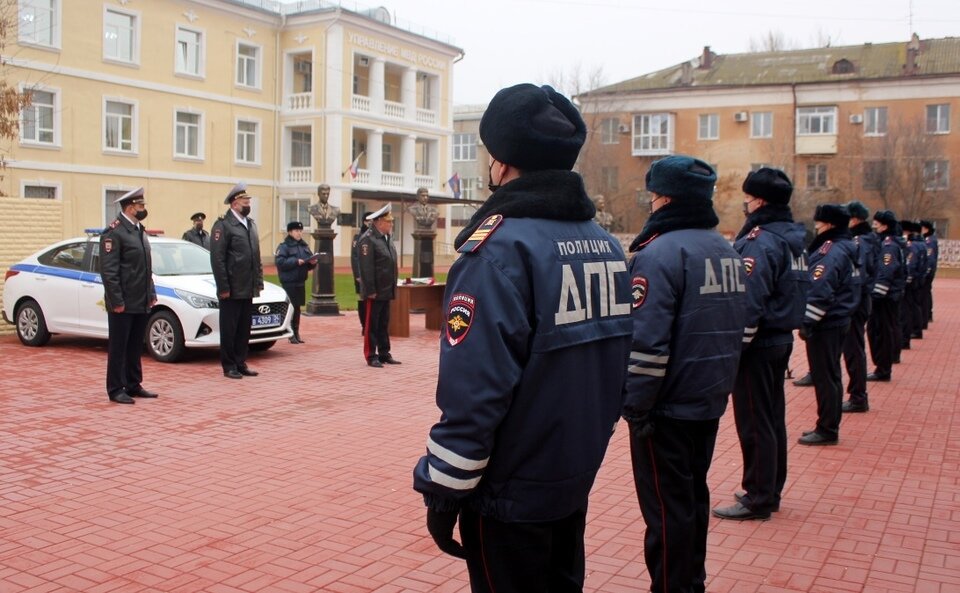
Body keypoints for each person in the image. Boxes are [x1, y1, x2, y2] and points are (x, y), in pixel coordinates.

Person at [412, 83, 632, 593]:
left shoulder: (496, 250)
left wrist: (443, 488)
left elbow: (476, 389)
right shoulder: (605, 245)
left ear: (502, 162)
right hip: (573, 473)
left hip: (509, 491)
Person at [624, 155, 746, 591]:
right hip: (708, 398)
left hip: (667, 408)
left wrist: (636, 408)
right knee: (693, 497)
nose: (651, 203)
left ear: (666, 197)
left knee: (666, 510)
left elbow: (646, 343)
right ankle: (693, 580)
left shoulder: (658, 254)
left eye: (652, 195)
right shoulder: (725, 249)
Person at [713, 168, 807, 522]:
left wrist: (736, 346)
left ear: (760, 201)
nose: (746, 204)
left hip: (758, 342)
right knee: (771, 419)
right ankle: (769, 488)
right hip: (779, 338)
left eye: (749, 198)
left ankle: (758, 496)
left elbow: (749, 299)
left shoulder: (759, 239)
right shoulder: (791, 236)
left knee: (753, 421)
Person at [797, 204, 860, 446]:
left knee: (825, 377)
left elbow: (820, 287)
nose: (817, 226)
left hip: (827, 321)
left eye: (820, 223)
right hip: (839, 318)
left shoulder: (830, 250)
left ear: (830, 224)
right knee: (831, 375)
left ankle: (827, 428)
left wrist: (808, 320)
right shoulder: (847, 246)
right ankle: (827, 424)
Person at [100, 187, 159, 404]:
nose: (144, 209)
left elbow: (145, 267)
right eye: (140, 206)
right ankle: (115, 388)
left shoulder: (138, 230)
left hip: (140, 298)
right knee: (119, 347)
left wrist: (150, 291)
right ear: (130, 207)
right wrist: (116, 301)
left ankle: (133, 384)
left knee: (135, 345)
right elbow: (109, 271)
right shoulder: (114, 232)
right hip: (123, 301)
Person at [210, 182, 264, 379]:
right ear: (234, 204)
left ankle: (241, 362)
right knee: (230, 328)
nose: (248, 203)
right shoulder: (223, 226)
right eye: (244, 201)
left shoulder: (250, 224)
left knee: (244, 328)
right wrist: (223, 286)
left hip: (247, 286)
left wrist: (258, 282)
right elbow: (218, 259)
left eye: (248, 200)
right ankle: (229, 365)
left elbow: (255, 256)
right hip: (231, 287)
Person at [840, 201, 880, 413]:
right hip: (860, 299)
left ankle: (858, 396)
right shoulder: (867, 239)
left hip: (856, 300)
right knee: (854, 348)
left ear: (854, 219)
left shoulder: (860, 242)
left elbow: (859, 275)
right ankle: (857, 394)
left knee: (854, 349)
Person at [357, 204, 400, 367]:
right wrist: (370, 290)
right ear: (379, 222)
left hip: (386, 289)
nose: (391, 225)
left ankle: (384, 352)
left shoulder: (386, 238)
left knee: (383, 322)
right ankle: (371, 355)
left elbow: (389, 264)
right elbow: (366, 268)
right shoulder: (368, 239)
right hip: (374, 291)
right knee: (372, 324)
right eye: (388, 222)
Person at [866, 210, 905, 382]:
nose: (874, 227)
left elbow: (886, 271)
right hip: (888, 296)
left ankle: (883, 369)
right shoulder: (890, 243)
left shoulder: (889, 246)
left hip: (885, 298)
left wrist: (876, 295)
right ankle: (882, 367)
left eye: (877, 224)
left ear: (885, 226)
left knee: (882, 333)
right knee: (881, 331)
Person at [275, 221, 316, 344]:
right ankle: (290, 333)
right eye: (297, 231)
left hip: (300, 281)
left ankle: (296, 333)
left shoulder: (304, 245)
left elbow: (308, 263)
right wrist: (295, 261)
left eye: (300, 231)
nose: (299, 233)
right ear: (290, 232)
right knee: (291, 308)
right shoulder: (284, 246)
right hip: (289, 281)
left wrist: (312, 263)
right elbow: (280, 263)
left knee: (297, 308)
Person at [900, 220, 927, 347]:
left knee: (906, 309)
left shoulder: (912, 245)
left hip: (912, 279)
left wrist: (908, 278)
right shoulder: (921, 244)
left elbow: (910, 263)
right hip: (918, 278)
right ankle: (915, 330)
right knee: (914, 305)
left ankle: (907, 335)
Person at [350, 220, 369, 334]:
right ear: (364, 222)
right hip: (361, 275)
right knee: (362, 299)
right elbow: (354, 257)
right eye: (369, 221)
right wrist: (357, 274)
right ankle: (364, 325)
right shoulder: (358, 237)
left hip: (372, 274)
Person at [920, 220, 938, 328]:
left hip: (928, 271)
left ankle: (927, 315)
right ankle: (927, 314)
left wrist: (927, 271)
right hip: (929, 270)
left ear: (926, 229)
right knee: (926, 293)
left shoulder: (929, 241)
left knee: (925, 294)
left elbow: (930, 257)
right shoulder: (929, 239)